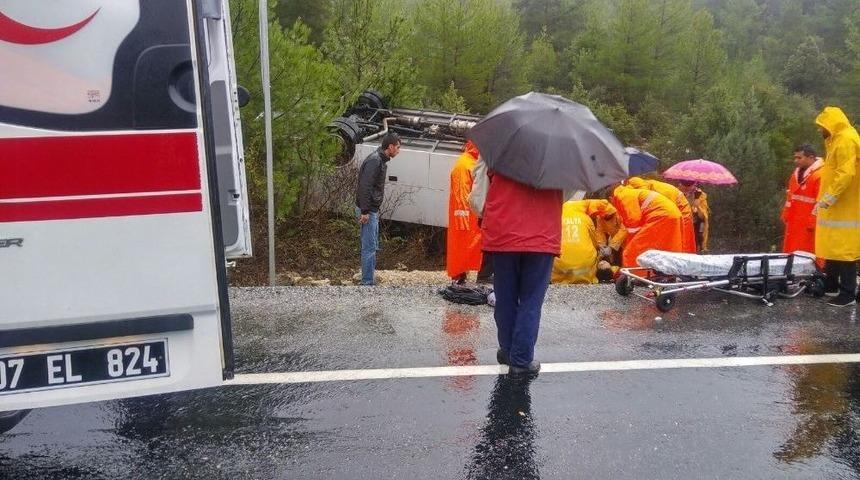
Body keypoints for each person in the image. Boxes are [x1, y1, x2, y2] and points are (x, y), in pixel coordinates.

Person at [479, 171, 563, 376]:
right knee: (530, 301)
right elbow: (567, 194)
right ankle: (521, 360)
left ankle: (507, 351)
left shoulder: (499, 150)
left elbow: (478, 192)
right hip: (542, 236)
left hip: (503, 233)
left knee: (505, 297)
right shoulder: (559, 158)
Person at [813, 107, 860, 307]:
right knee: (833, 247)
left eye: (821, 126)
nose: (819, 130)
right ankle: (831, 286)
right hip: (837, 205)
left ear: (832, 124)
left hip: (845, 204)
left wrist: (829, 198)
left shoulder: (846, 140)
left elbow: (846, 174)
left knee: (845, 250)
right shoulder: (837, 140)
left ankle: (847, 294)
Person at [355, 132, 401, 285]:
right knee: (369, 248)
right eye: (398, 147)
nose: (399, 151)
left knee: (372, 246)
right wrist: (365, 211)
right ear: (390, 147)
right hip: (368, 211)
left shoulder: (379, 159)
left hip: (372, 210)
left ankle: (369, 280)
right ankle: (367, 283)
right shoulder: (375, 161)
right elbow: (365, 186)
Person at [446, 141, 491, 284]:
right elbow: (460, 194)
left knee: (467, 248)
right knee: (462, 247)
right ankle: (459, 277)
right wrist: (463, 216)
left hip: (471, 215)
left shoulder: (470, 162)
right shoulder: (464, 164)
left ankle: (463, 276)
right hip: (466, 216)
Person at [610, 184, 683, 267]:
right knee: (665, 248)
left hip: (661, 216)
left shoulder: (622, 196)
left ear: (611, 199)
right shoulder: (630, 192)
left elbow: (633, 221)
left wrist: (631, 242)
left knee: (631, 252)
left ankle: (635, 275)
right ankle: (665, 272)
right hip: (671, 214)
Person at [627, 176, 697, 253]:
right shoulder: (638, 185)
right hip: (674, 207)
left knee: (681, 241)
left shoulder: (637, 188)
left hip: (681, 208)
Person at [781, 144, 823, 254]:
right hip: (794, 221)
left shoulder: (819, 175)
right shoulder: (796, 174)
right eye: (795, 157)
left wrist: (813, 222)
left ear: (811, 157)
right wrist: (786, 214)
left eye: (799, 158)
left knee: (808, 255)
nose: (796, 161)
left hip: (809, 225)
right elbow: (790, 197)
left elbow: (821, 202)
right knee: (792, 252)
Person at [552, 200, 601, 284]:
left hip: (561, 267)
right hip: (585, 266)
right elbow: (595, 242)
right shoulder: (586, 218)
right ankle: (585, 278)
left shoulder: (556, 217)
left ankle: (560, 279)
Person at [582, 199, 626, 266]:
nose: (603, 217)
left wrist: (611, 246)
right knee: (616, 260)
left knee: (625, 258)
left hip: (627, 240)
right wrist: (602, 245)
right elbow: (600, 231)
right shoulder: (600, 217)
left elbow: (623, 230)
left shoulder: (619, 213)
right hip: (615, 241)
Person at [678, 181, 710, 252]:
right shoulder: (675, 193)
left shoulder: (700, 195)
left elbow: (703, 217)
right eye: (684, 184)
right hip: (679, 225)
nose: (686, 187)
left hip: (693, 227)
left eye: (689, 185)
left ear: (694, 184)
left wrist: (697, 205)